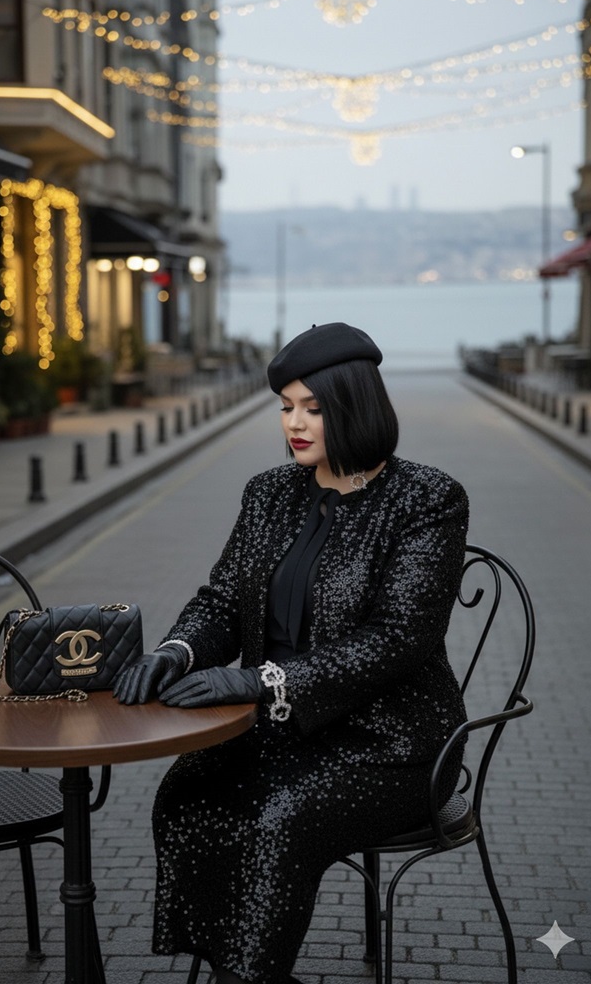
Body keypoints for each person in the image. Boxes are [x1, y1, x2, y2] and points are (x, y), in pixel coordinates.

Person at [113, 322, 469, 984]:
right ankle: (242, 970)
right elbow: (222, 600)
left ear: (355, 406)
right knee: (186, 792)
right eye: (285, 407)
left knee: (277, 816)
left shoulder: (427, 499)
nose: (294, 424)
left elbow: (399, 638)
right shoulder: (269, 492)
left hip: (391, 744)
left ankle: (250, 976)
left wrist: (260, 680)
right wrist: (178, 652)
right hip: (279, 733)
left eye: (313, 408)